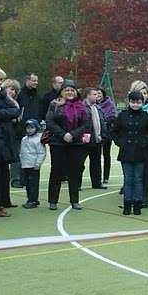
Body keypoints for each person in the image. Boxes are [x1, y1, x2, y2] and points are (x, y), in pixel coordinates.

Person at [45, 79, 91, 211]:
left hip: (76, 144)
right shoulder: (54, 104)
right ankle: (53, 201)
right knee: (56, 171)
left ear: (76, 92)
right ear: (62, 92)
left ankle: (75, 200)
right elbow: (50, 121)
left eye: (72, 90)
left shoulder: (82, 106)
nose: (70, 92)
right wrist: (63, 134)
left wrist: (73, 134)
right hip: (58, 143)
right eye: (67, 90)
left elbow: (86, 124)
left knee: (75, 172)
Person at [111, 91, 148, 215]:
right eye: (133, 102)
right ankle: (127, 204)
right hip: (126, 152)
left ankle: (137, 205)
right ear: (129, 102)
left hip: (141, 153)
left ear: (142, 103)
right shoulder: (122, 115)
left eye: (138, 102)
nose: (135, 105)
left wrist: (144, 143)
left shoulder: (146, 116)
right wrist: (120, 142)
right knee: (128, 179)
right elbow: (114, 131)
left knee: (138, 179)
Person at [0, 69, 20, 216]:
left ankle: (3, 200)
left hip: (5, 135)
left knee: (3, 170)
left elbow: (16, 109)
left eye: (1, 79)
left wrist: (7, 113)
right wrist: (8, 114)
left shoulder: (2, 93)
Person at [130, 81, 148, 206]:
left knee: (146, 174)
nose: (143, 95)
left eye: (145, 93)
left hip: (147, 148)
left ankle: (144, 198)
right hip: (131, 148)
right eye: (140, 93)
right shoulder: (128, 112)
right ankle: (132, 196)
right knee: (133, 174)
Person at [81, 87, 108, 190]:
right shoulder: (82, 107)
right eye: (94, 94)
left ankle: (97, 183)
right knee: (80, 163)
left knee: (96, 163)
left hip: (97, 140)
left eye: (97, 94)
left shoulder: (97, 108)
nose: (97, 96)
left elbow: (102, 122)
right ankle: (77, 183)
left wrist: (103, 135)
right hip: (85, 140)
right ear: (88, 95)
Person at [1, 78, 23, 191]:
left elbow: (18, 116)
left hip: (15, 133)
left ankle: (16, 179)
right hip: (2, 134)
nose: (13, 92)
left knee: (16, 157)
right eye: (11, 89)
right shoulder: (1, 101)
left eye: (15, 90)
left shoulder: (16, 102)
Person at [19, 119, 46, 209]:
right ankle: (30, 199)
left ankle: (33, 200)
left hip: (34, 166)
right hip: (25, 165)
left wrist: (38, 163)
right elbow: (22, 152)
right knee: (27, 184)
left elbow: (41, 152)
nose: (29, 130)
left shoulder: (38, 140)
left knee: (33, 184)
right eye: (28, 128)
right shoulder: (24, 139)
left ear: (36, 128)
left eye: (32, 128)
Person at [96, 87, 117, 185]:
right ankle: (98, 177)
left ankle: (106, 177)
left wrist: (103, 122)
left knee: (106, 155)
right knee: (96, 156)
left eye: (99, 93)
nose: (98, 96)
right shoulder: (93, 105)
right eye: (96, 94)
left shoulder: (110, 104)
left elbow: (112, 117)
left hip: (107, 133)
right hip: (96, 134)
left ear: (103, 94)